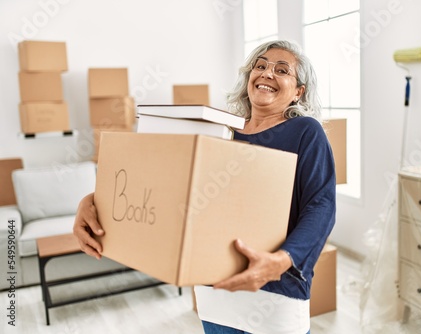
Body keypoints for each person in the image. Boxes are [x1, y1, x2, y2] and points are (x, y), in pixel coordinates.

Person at [73, 40, 336, 334]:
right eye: (260, 66)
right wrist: (93, 200)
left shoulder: (305, 131)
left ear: (299, 91)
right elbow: (165, 183)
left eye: (281, 69)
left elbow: (321, 206)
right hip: (214, 293)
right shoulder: (220, 130)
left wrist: (280, 261)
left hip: (275, 295)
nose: (266, 73)